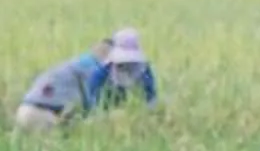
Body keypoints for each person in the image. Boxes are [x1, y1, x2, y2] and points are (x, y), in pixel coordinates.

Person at [14, 27, 158, 130]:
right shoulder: (92, 69)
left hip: (27, 110)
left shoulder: (81, 64)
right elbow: (96, 105)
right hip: (41, 113)